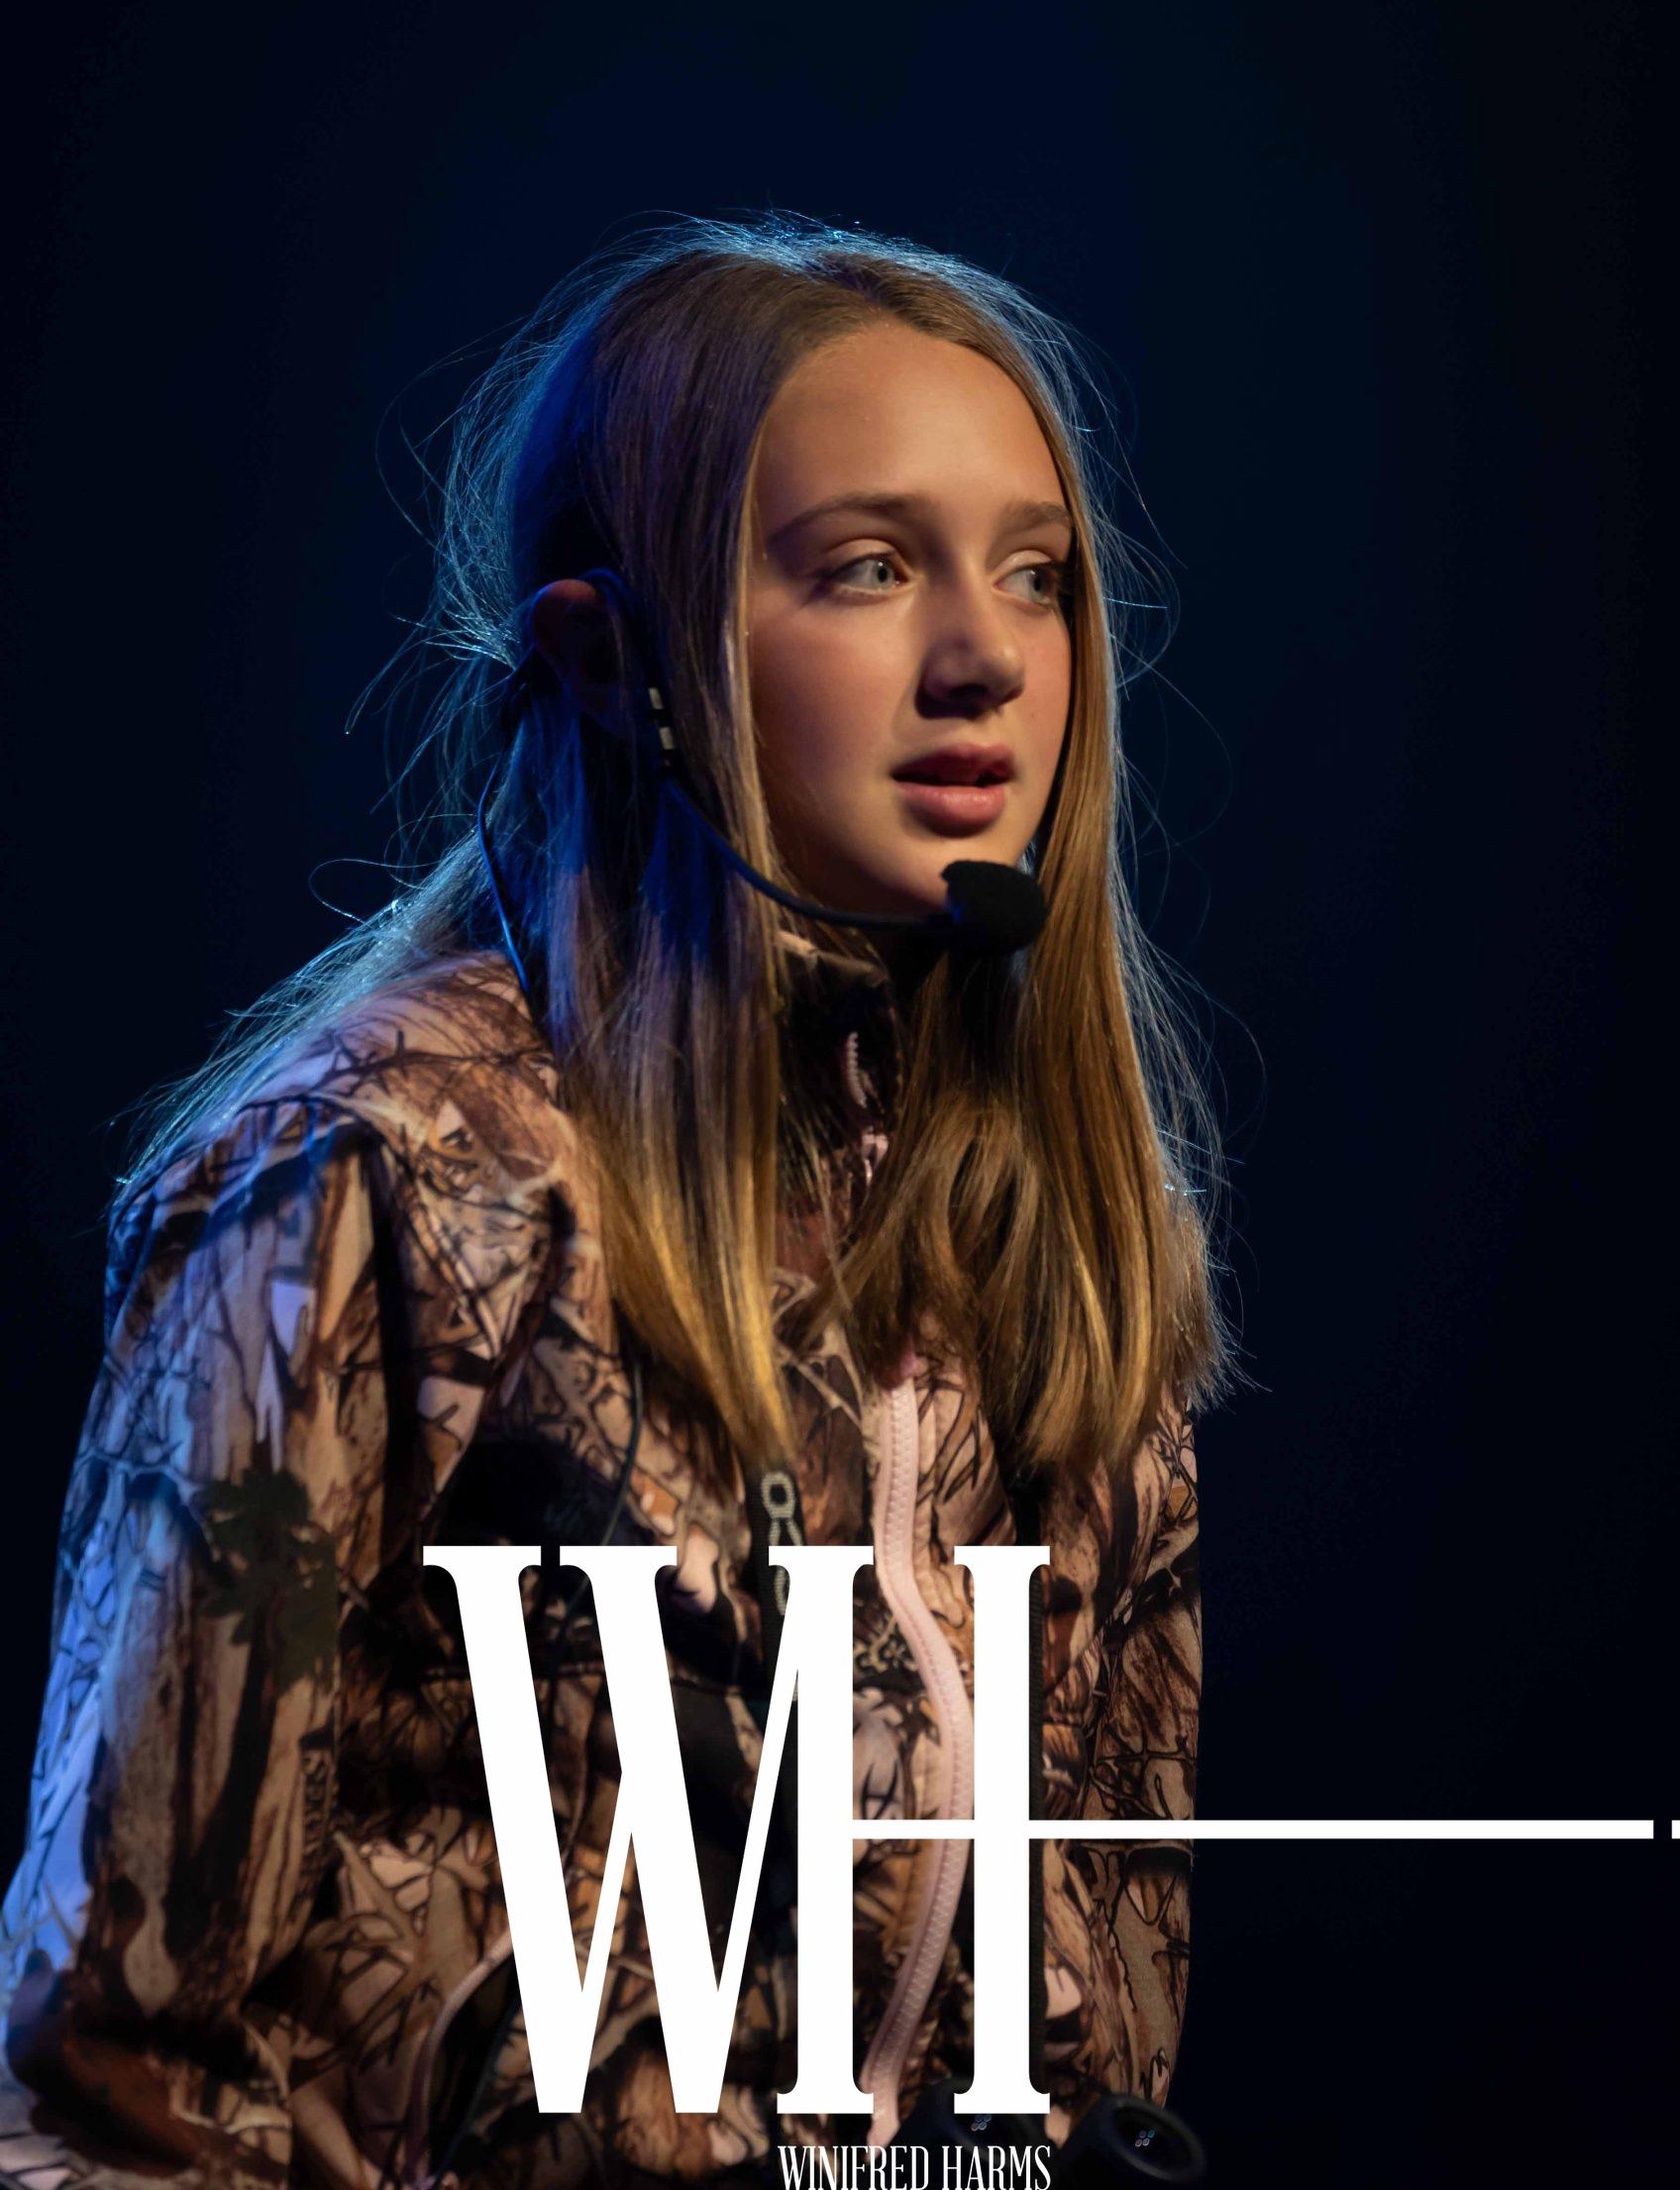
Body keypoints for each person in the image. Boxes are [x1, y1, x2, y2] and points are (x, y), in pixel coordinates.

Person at [0, 215, 1236, 2190]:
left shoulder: (1052, 1238)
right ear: (610, 657)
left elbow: (1096, 2020)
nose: (988, 657)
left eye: (1035, 573)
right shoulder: (370, 1179)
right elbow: (114, 2081)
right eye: (865, 565)